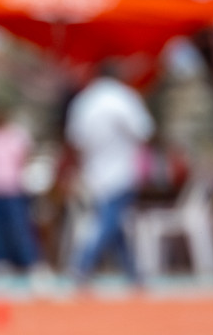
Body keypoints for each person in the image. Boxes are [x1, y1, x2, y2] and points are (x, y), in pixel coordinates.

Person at [65, 62, 155, 284]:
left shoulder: (85, 101)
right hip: (122, 171)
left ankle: (133, 272)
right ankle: (82, 264)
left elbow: (74, 140)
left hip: (94, 173)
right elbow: (144, 131)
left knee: (112, 220)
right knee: (110, 220)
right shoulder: (124, 98)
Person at [0, 107, 42, 271]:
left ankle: (29, 260)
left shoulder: (17, 135)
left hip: (14, 188)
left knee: (19, 226)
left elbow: (26, 157)